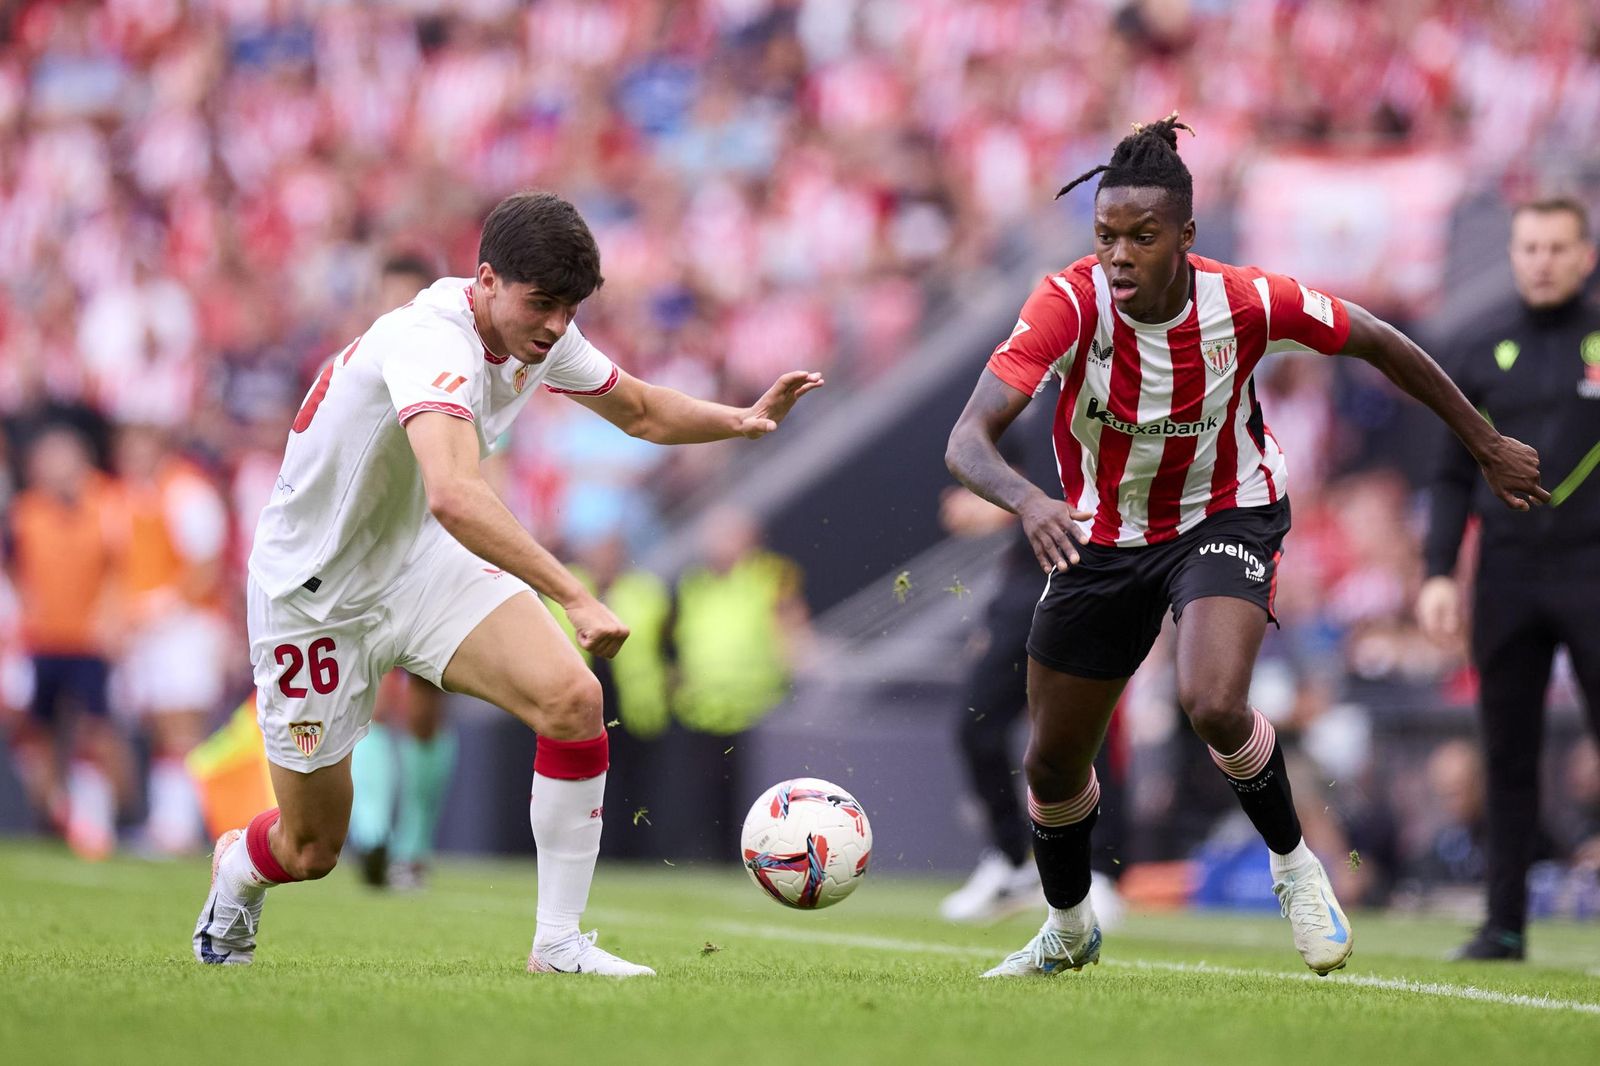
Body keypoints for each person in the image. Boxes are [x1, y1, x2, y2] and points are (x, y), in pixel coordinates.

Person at [944, 114, 1547, 978]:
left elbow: (1379, 339)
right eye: (1106, 235)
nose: (1119, 254)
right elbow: (967, 439)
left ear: (1186, 236)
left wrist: (1483, 442)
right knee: (1050, 762)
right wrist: (1028, 497)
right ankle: (1069, 925)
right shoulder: (1067, 301)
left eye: (1142, 237)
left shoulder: (1248, 300)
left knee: (1215, 702)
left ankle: (1297, 868)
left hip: (1223, 515)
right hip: (1103, 535)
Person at [191, 191, 822, 976]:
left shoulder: (534, 333)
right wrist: (574, 593)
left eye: (570, 307)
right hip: (313, 599)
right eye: (544, 304)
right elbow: (456, 493)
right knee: (312, 846)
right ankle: (238, 870)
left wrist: (741, 418)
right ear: (486, 280)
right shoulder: (431, 341)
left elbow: (643, 412)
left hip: (417, 564)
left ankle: (558, 943)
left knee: (572, 699)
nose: (558, 324)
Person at [1416, 197, 1600, 961]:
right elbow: (1452, 474)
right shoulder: (1479, 342)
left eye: (1558, 247)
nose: (1543, 261)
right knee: (1507, 751)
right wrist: (1434, 573)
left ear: (1585, 255)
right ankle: (1505, 924)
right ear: (1513, 252)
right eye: (1529, 247)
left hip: (1593, 566)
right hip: (1508, 573)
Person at [936, 411, 1130, 927]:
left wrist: (1000, 513)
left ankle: (1101, 873)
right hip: (1027, 582)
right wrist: (989, 500)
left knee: (1086, 735)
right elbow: (1003, 468)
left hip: (1099, 576)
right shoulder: (1032, 396)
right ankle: (1011, 860)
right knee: (975, 722)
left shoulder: (1123, 380)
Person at [346, 252, 459, 891]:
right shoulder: (360, 369)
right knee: (367, 699)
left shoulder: (454, 375)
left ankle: (410, 843)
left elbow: (479, 471)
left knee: (424, 709)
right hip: (368, 557)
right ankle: (372, 834)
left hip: (437, 550)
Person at [4, 426, 127, 859]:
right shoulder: (24, 513)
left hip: (89, 638)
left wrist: (112, 619)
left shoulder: (106, 505)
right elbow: (13, 572)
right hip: (41, 639)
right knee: (37, 732)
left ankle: (96, 819)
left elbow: (119, 569)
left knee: (94, 729)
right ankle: (57, 810)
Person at [113, 423, 231, 856]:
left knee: (183, 721)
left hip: (188, 625)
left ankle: (181, 825)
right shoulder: (131, 494)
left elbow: (207, 564)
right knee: (163, 725)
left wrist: (162, 605)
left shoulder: (187, 492)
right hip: (151, 628)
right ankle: (168, 822)